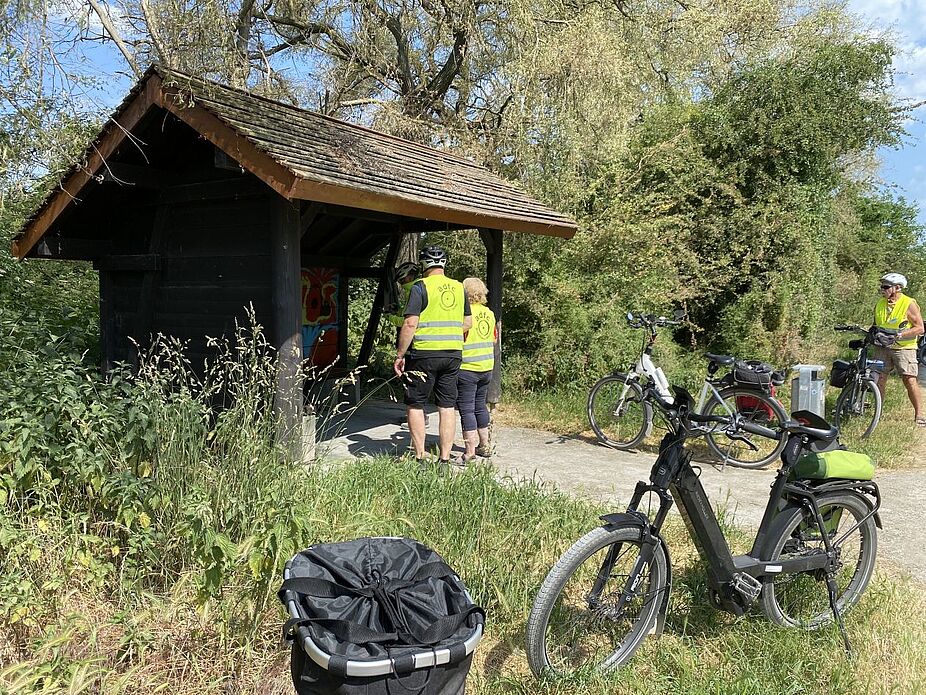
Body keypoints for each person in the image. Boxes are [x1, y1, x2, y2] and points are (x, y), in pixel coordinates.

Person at [394, 246, 472, 465]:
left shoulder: (420, 287)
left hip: (424, 354)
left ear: (423, 264)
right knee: (447, 406)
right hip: (453, 354)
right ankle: (445, 459)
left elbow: (410, 323)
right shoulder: (459, 288)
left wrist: (400, 354)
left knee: (415, 403)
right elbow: (468, 322)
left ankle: (419, 455)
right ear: (444, 263)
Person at [872, 272, 925, 425]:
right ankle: (878, 413)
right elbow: (876, 324)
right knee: (879, 379)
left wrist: (899, 335)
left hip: (904, 348)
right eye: (882, 286)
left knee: (909, 379)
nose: (882, 289)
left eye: (886, 286)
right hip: (882, 347)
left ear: (898, 288)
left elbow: (920, 328)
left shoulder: (908, 303)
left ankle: (920, 415)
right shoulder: (880, 303)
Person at [456, 277, 497, 464]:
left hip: (467, 367)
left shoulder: (463, 314)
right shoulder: (489, 313)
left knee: (466, 409)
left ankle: (469, 451)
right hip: (486, 366)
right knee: (480, 406)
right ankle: (485, 445)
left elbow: (459, 337)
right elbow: (494, 339)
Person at [384, 262, 419, 338]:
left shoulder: (414, 291)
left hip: (414, 336)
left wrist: (390, 317)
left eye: (402, 279)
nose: (401, 282)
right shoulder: (414, 289)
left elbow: (409, 321)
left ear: (411, 277)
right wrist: (399, 311)